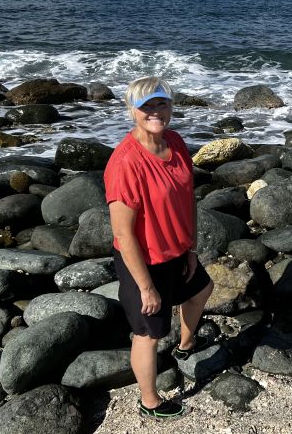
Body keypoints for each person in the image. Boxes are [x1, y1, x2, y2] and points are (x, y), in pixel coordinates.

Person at [104, 76, 214, 419]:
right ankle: (149, 401)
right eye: (146, 106)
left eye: (161, 103)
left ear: (171, 106)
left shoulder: (176, 142)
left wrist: (191, 248)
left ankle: (185, 346)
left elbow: (187, 199)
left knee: (202, 289)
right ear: (131, 110)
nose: (155, 112)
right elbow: (124, 236)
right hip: (144, 261)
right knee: (148, 334)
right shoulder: (126, 163)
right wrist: (146, 287)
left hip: (178, 251)